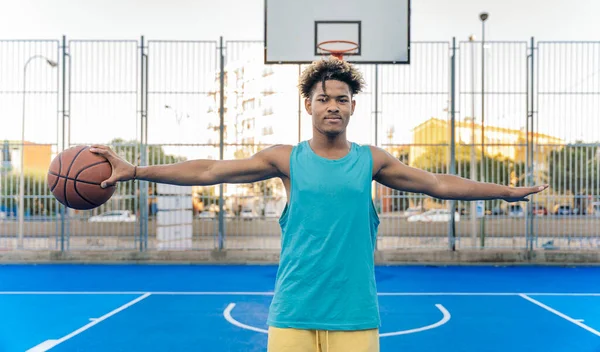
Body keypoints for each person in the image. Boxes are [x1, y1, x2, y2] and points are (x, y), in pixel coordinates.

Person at [90, 57, 548, 352]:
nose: (333, 105)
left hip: (355, 316)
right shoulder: (285, 160)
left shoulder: (372, 161)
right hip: (293, 312)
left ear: (352, 108)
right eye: (324, 98)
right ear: (308, 105)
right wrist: (135, 171)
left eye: (342, 99)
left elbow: (436, 184)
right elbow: (211, 171)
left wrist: (504, 192)